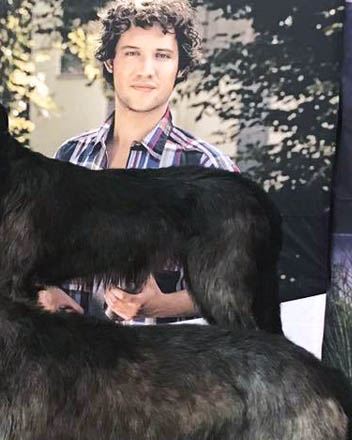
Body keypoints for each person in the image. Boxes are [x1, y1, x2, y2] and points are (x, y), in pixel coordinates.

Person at [39, 0, 239, 323]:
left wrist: (161, 305)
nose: (147, 69)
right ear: (110, 61)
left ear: (180, 67)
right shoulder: (70, 157)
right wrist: (44, 291)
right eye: (132, 52)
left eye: (162, 55)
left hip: (155, 370)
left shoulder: (208, 169)